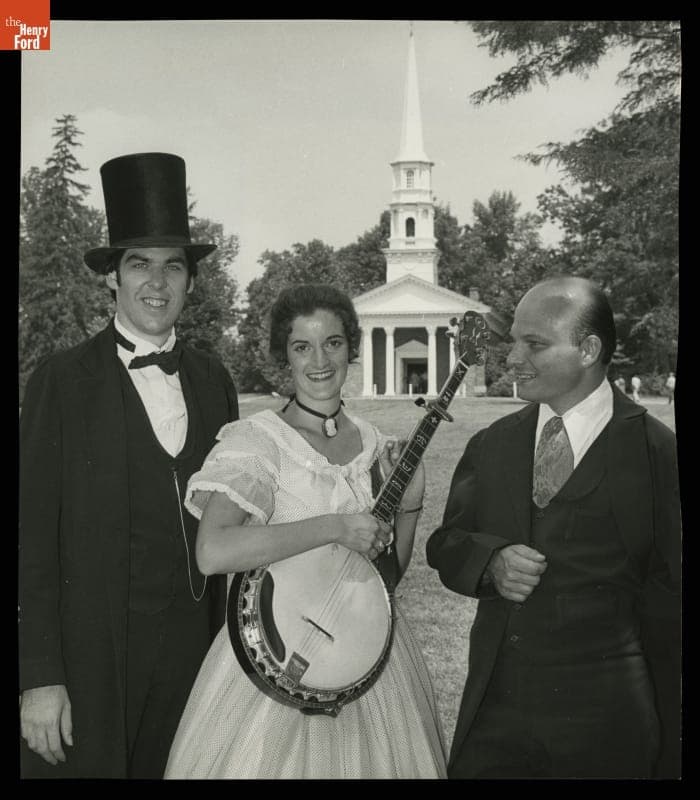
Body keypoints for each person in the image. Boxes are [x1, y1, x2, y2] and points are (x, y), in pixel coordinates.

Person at [165, 284, 446, 779]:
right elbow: (212, 551)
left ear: (350, 349)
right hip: (274, 664)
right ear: (283, 358)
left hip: (372, 664)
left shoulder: (376, 445)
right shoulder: (258, 442)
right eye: (302, 347)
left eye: (333, 343)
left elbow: (384, 583)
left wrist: (411, 505)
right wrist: (334, 527)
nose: (320, 360)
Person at [19, 153, 239, 778]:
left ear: (191, 282)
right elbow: (31, 543)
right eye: (139, 264)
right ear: (111, 278)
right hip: (93, 665)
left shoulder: (211, 379)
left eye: (174, 267)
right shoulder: (60, 382)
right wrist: (38, 679)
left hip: (195, 660)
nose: (157, 283)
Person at [427, 277, 681, 779]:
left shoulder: (657, 453)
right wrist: (489, 561)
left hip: (611, 727)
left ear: (588, 349)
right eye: (515, 340)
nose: (512, 359)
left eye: (534, 344)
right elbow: (446, 545)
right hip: (496, 719)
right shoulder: (492, 444)